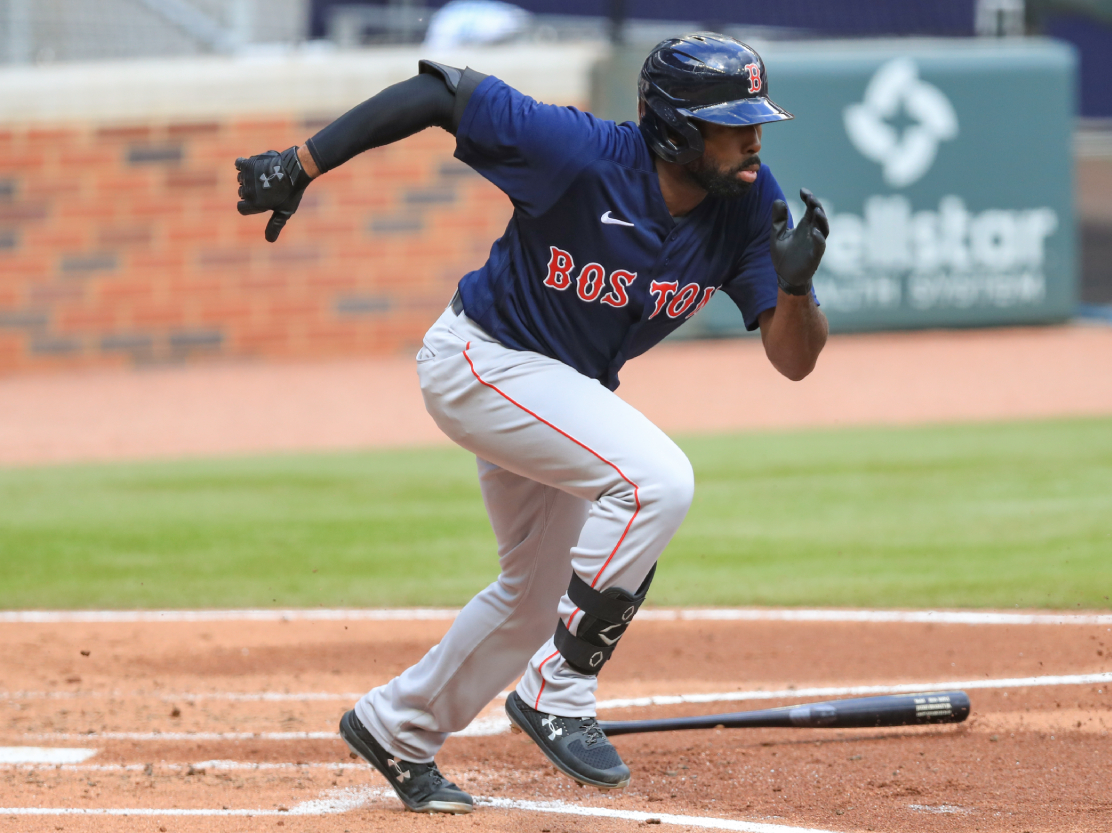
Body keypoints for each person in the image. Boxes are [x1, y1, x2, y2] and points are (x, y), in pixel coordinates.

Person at [234, 32, 829, 815]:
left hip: (555, 391)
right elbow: (441, 93)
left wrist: (796, 289)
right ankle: (560, 688)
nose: (754, 136)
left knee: (534, 596)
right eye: (732, 121)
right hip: (480, 359)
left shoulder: (750, 201)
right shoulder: (578, 153)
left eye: (756, 118)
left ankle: (396, 726)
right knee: (656, 479)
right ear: (678, 129)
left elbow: (794, 360)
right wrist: (302, 165)